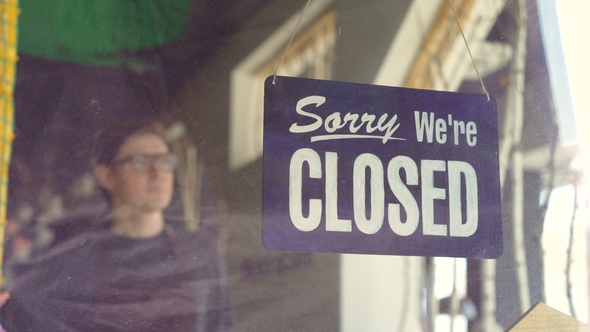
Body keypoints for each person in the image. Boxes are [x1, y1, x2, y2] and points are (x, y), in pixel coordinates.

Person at [0, 122, 234, 331]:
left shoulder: (200, 252)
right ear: (107, 177)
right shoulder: (77, 258)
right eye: (141, 162)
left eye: (164, 161)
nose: (158, 173)